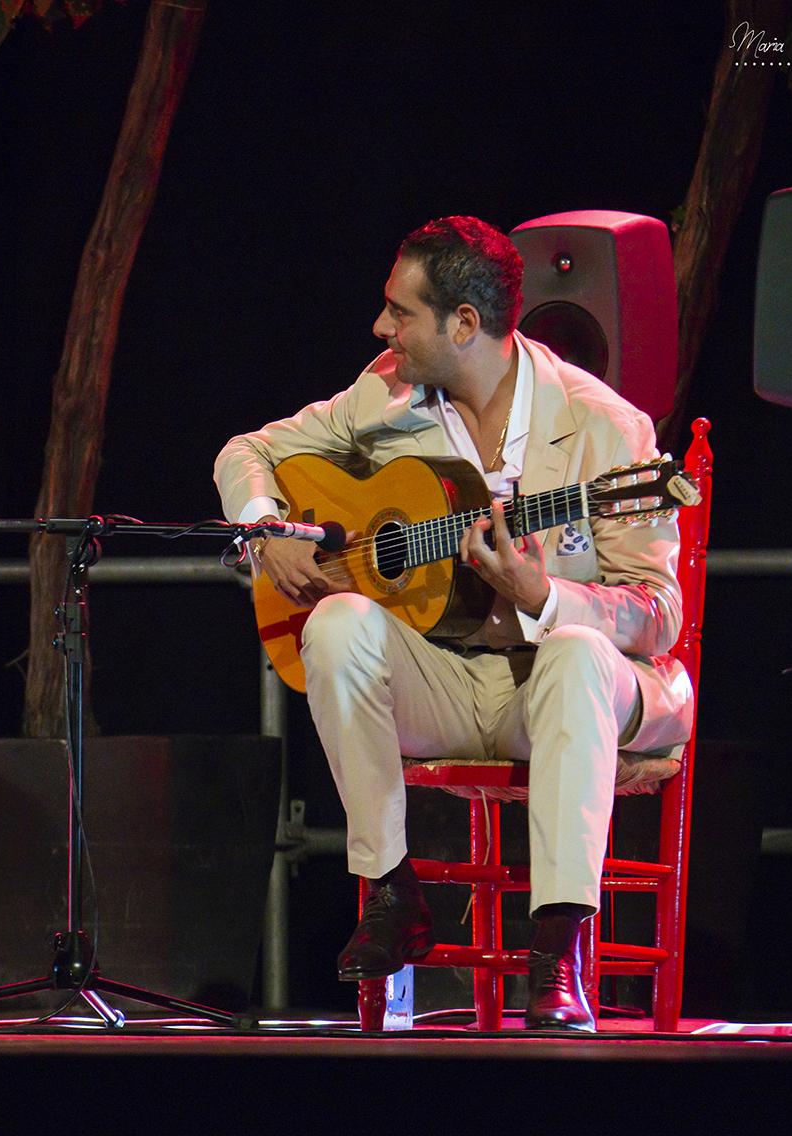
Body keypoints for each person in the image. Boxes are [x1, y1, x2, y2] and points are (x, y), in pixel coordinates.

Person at [214, 216, 694, 1031]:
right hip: (448, 679)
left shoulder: (605, 428)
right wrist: (265, 526)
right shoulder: (385, 391)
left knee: (576, 648)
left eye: (399, 313)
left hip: (560, 689)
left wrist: (541, 595)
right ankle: (394, 892)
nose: (380, 329)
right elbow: (246, 451)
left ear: (463, 325)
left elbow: (658, 615)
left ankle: (557, 946)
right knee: (332, 625)